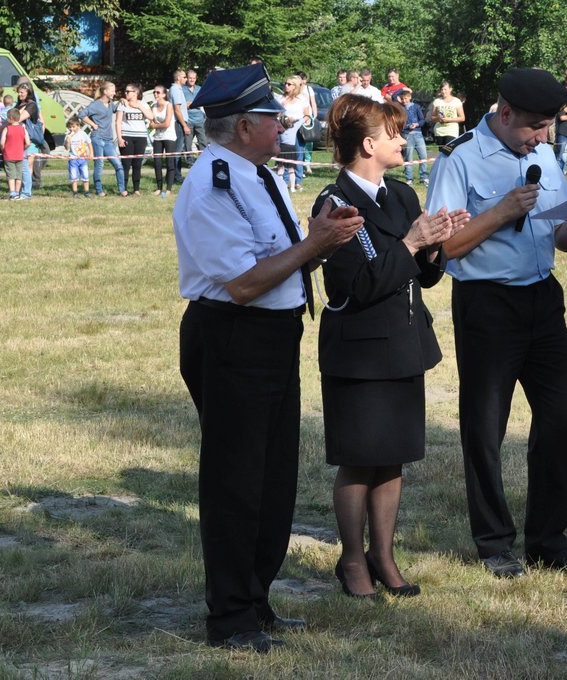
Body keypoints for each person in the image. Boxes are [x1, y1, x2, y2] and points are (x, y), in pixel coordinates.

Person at [174, 63, 364, 653]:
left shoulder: (260, 175)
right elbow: (242, 284)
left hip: (275, 336)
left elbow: (282, 260)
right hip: (234, 336)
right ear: (243, 126)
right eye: (271, 117)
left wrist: (321, 240)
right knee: (235, 481)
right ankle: (230, 617)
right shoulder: (213, 185)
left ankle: (255, 599)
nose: (283, 124)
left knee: (273, 479)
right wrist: (315, 244)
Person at [425, 67, 567, 578]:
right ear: (504, 114)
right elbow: (442, 249)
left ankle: (549, 540)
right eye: (536, 127)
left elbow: (560, 238)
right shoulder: (459, 158)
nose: (543, 138)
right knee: (486, 427)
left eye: (548, 127)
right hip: (487, 304)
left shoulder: (541, 153)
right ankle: (494, 543)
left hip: (543, 299)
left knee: (558, 423)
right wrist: (499, 213)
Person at [314, 94, 468, 599]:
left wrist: (437, 244)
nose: (404, 141)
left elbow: (421, 277)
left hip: (402, 343)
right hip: (359, 352)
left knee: (392, 457)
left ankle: (383, 555)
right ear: (367, 144)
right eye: (394, 133)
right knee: (360, 459)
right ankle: (352, 561)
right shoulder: (335, 204)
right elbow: (356, 286)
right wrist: (411, 243)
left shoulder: (400, 195)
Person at [81, 81, 126, 197]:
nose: (114, 93)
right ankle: (99, 190)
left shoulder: (110, 104)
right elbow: (82, 114)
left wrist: (120, 100)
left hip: (108, 140)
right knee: (99, 164)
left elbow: (114, 110)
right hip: (98, 138)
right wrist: (93, 124)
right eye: (112, 91)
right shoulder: (95, 105)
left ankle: (122, 190)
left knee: (118, 164)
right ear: (105, 91)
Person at [115, 83, 154, 195]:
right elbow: (118, 122)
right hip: (126, 136)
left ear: (135, 93)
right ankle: (123, 189)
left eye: (128, 91)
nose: (126, 93)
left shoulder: (143, 104)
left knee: (137, 164)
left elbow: (151, 117)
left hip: (140, 137)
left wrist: (139, 106)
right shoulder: (122, 104)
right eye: (125, 91)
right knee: (126, 164)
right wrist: (120, 138)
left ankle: (136, 189)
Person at [276, 75, 309, 193]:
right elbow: (276, 114)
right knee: (283, 158)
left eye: (289, 84)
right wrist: (282, 113)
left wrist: (296, 121)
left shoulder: (302, 99)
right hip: (283, 130)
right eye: (285, 83)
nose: (286, 85)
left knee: (297, 156)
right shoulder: (280, 98)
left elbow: (307, 115)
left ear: (295, 86)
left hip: (297, 130)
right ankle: (284, 183)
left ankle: (297, 182)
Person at [150, 84, 176, 198]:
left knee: (170, 163)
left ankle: (168, 188)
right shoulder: (153, 106)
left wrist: (156, 125)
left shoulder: (169, 105)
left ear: (164, 94)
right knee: (157, 162)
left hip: (169, 136)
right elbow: (151, 123)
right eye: (154, 92)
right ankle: (159, 188)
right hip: (157, 137)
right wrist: (155, 125)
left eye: (158, 92)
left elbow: (167, 124)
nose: (155, 94)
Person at [399, 89, 429, 184]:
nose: (404, 100)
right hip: (407, 135)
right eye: (402, 99)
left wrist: (417, 124)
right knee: (409, 158)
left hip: (418, 134)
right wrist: (408, 126)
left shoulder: (416, 107)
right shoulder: (400, 109)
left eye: (406, 98)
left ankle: (423, 177)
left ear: (410, 97)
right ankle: (409, 178)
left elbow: (422, 120)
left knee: (423, 156)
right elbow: (400, 124)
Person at [0, 107, 28, 200]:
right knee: (19, 176)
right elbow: (28, 142)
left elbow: (2, 142)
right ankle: (17, 192)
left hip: (9, 156)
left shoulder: (6, 129)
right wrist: (23, 148)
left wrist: (3, 149)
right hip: (20, 155)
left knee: (11, 175)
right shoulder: (23, 129)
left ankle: (12, 193)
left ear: (10, 118)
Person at [429, 81, 464, 150]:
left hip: (452, 131)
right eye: (442, 89)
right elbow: (432, 117)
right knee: (442, 153)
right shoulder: (437, 101)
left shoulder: (456, 101)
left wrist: (449, 119)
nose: (443, 91)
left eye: (445, 89)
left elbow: (462, 118)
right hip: (439, 131)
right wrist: (438, 118)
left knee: (449, 152)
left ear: (450, 89)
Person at [182, 70, 207, 163]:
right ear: (187, 78)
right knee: (188, 144)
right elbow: (180, 105)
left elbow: (203, 102)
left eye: (193, 78)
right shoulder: (182, 89)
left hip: (200, 120)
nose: (192, 80)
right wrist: (187, 104)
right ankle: (190, 162)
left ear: (196, 79)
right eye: (190, 78)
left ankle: (203, 161)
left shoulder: (199, 89)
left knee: (203, 142)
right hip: (188, 120)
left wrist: (192, 104)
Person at [64, 116, 92, 198]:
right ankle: (75, 192)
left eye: (73, 127)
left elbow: (89, 143)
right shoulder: (68, 136)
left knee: (85, 175)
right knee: (73, 176)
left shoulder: (83, 134)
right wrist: (68, 141)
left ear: (78, 126)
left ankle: (86, 192)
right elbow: (67, 148)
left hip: (83, 159)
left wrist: (91, 154)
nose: (71, 129)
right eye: (70, 127)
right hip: (73, 159)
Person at [169, 69, 188, 183]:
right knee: (177, 150)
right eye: (184, 77)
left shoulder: (178, 89)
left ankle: (175, 175)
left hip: (180, 122)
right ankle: (176, 176)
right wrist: (184, 125)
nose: (186, 79)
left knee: (178, 150)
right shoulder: (176, 89)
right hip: (178, 123)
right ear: (178, 78)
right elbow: (177, 110)